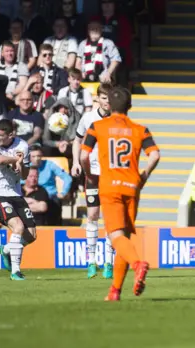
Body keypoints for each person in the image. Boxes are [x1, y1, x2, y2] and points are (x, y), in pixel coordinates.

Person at [80, 86, 160, 301]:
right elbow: (155, 155)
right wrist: (143, 177)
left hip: (110, 187)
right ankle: (114, 291)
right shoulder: (140, 129)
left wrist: (89, 175)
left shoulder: (97, 126)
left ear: (108, 105)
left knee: (115, 237)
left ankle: (138, 264)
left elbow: (83, 156)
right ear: (130, 106)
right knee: (124, 238)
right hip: (132, 186)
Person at [0, 119, 35, 280]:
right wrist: (16, 160)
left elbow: (25, 175)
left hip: (15, 193)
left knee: (31, 235)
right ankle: (16, 271)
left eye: (0, 135)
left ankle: (5, 250)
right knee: (18, 227)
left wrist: (21, 165)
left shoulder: (23, 146)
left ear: (11, 135)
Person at [71, 82, 113, 279]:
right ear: (98, 99)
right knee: (93, 215)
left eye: (110, 97)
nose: (108, 101)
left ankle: (109, 263)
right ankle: (91, 261)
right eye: (104, 97)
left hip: (112, 174)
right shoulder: (88, 118)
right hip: (92, 173)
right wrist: (75, 162)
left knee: (111, 217)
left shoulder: (118, 118)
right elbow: (77, 140)